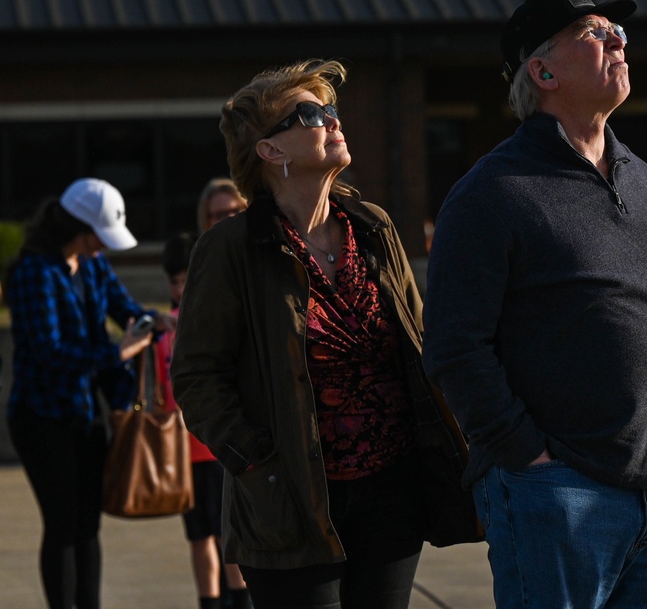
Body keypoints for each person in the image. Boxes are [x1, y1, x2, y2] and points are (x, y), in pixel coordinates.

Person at [422, 0, 647, 609]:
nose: (618, 39)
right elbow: (455, 347)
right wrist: (528, 458)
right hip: (555, 493)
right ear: (542, 71)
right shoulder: (493, 193)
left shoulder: (646, 183)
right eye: (594, 33)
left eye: (618, 31)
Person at [169, 59, 479, 609]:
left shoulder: (373, 227)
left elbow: (421, 342)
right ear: (270, 151)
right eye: (310, 115)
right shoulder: (231, 249)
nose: (332, 121)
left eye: (332, 110)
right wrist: (257, 464)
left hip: (392, 493)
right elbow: (197, 375)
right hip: (292, 503)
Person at [3, 178, 172, 609]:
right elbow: (49, 353)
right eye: (100, 236)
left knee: (87, 525)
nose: (104, 247)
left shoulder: (93, 265)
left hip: (85, 412)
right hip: (41, 417)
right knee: (62, 523)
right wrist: (115, 351)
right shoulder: (33, 273)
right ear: (75, 226)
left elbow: (125, 308)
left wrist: (155, 321)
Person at [153, 233, 250, 609]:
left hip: (213, 449)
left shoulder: (195, 322)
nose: (179, 289)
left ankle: (236, 600)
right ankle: (212, 601)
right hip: (185, 452)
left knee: (224, 536)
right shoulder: (167, 328)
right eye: (174, 281)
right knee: (200, 536)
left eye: (185, 280)